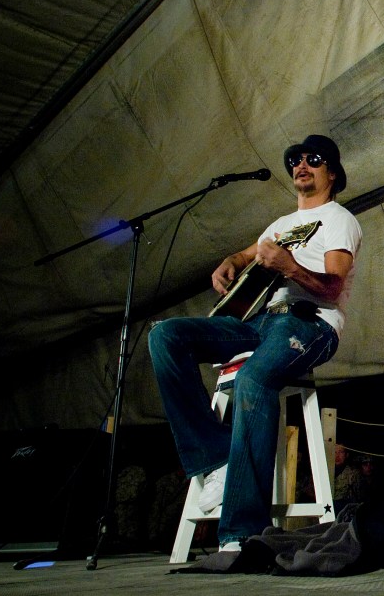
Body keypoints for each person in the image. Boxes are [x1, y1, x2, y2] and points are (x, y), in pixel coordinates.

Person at [149, 134, 362, 554]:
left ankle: (243, 533)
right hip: (261, 322)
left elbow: (333, 287)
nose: (302, 165)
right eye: (295, 160)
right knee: (166, 337)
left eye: (314, 159)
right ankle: (217, 459)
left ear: (333, 174)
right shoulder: (281, 224)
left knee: (254, 377)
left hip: (311, 324)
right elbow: (247, 256)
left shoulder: (340, 219)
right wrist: (230, 262)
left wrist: (290, 267)